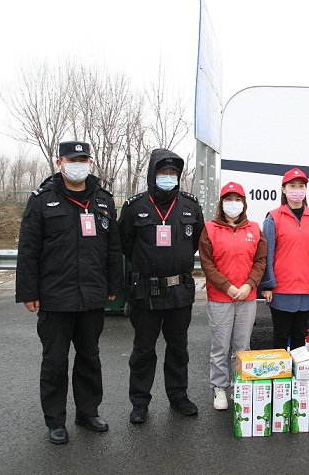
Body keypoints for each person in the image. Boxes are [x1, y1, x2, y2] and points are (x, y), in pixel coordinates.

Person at [16, 140, 123, 445]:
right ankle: (55, 421)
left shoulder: (103, 200)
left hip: (92, 295)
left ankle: (88, 413)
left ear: (90, 163)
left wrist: (114, 286)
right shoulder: (42, 200)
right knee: (55, 361)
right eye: (73, 159)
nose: (78, 165)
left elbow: (112, 248)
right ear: (60, 162)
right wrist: (28, 291)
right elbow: (28, 249)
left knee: (90, 358)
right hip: (55, 297)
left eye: (84, 159)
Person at [118, 148, 204, 423]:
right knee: (143, 350)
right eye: (163, 172)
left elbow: (196, 241)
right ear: (152, 174)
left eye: (172, 173)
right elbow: (125, 244)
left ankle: (178, 396)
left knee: (178, 347)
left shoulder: (190, 206)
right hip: (146, 291)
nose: (168, 177)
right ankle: (139, 402)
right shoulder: (135, 207)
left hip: (180, 290)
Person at [199, 182, 267, 411]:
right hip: (220, 297)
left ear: (244, 203)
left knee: (242, 346)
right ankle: (219, 387)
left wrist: (249, 284)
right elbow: (207, 264)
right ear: (221, 203)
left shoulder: (254, 229)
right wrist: (227, 287)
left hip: (247, 296)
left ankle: (240, 385)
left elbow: (260, 260)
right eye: (229, 199)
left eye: (238, 199)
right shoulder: (210, 229)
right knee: (220, 346)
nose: (233, 204)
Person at [260, 168, 309, 351]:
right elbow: (266, 254)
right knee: (281, 335)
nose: (297, 190)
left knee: (300, 336)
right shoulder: (273, 218)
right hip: (281, 289)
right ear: (284, 189)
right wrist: (267, 285)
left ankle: (299, 370)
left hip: (306, 289)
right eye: (292, 186)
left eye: (301, 186)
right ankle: (280, 370)